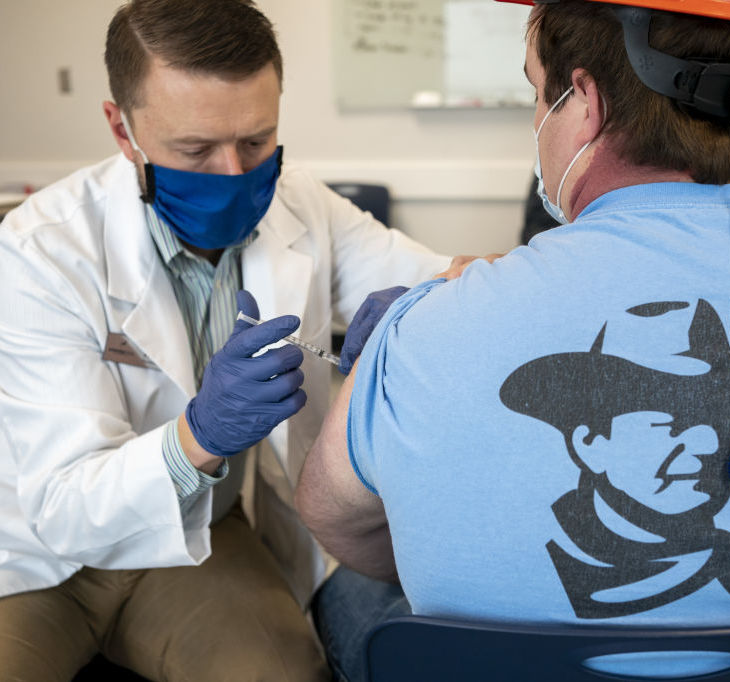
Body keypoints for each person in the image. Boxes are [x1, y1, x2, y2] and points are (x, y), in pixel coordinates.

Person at [295, 1, 730, 680]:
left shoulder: (430, 322)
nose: (699, 443)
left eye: (538, 95)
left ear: (583, 102)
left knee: (353, 593)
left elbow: (339, 522)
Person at [0, 0, 455, 680]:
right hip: (34, 557)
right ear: (121, 129)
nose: (234, 173)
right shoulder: (38, 252)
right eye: (194, 150)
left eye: (255, 142)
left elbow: (447, 283)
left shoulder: (299, 199)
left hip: (201, 536)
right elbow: (66, 509)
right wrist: (200, 435)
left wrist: (424, 316)